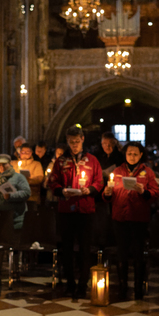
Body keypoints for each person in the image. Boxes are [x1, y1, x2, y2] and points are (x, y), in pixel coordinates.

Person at [47, 126, 103, 299]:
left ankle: (82, 284)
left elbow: (99, 181)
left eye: (77, 142)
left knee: (85, 249)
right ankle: (70, 283)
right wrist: (61, 191)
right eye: (71, 142)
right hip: (66, 209)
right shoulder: (61, 161)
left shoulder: (92, 160)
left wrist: (91, 189)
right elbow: (53, 181)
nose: (74, 145)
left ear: (83, 139)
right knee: (67, 248)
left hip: (86, 209)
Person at [102, 142, 159, 300]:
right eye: (129, 154)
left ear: (141, 155)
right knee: (122, 254)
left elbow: (154, 193)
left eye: (135, 154)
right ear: (125, 155)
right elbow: (109, 195)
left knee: (138, 254)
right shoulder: (118, 171)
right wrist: (107, 192)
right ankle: (122, 288)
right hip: (120, 218)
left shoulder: (147, 172)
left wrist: (144, 192)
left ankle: (138, 289)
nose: (132, 157)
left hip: (139, 218)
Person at [0, 155, 31, 229]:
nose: (2, 167)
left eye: (4, 164)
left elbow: (26, 193)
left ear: (9, 164)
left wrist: (10, 196)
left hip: (14, 219)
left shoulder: (18, 177)